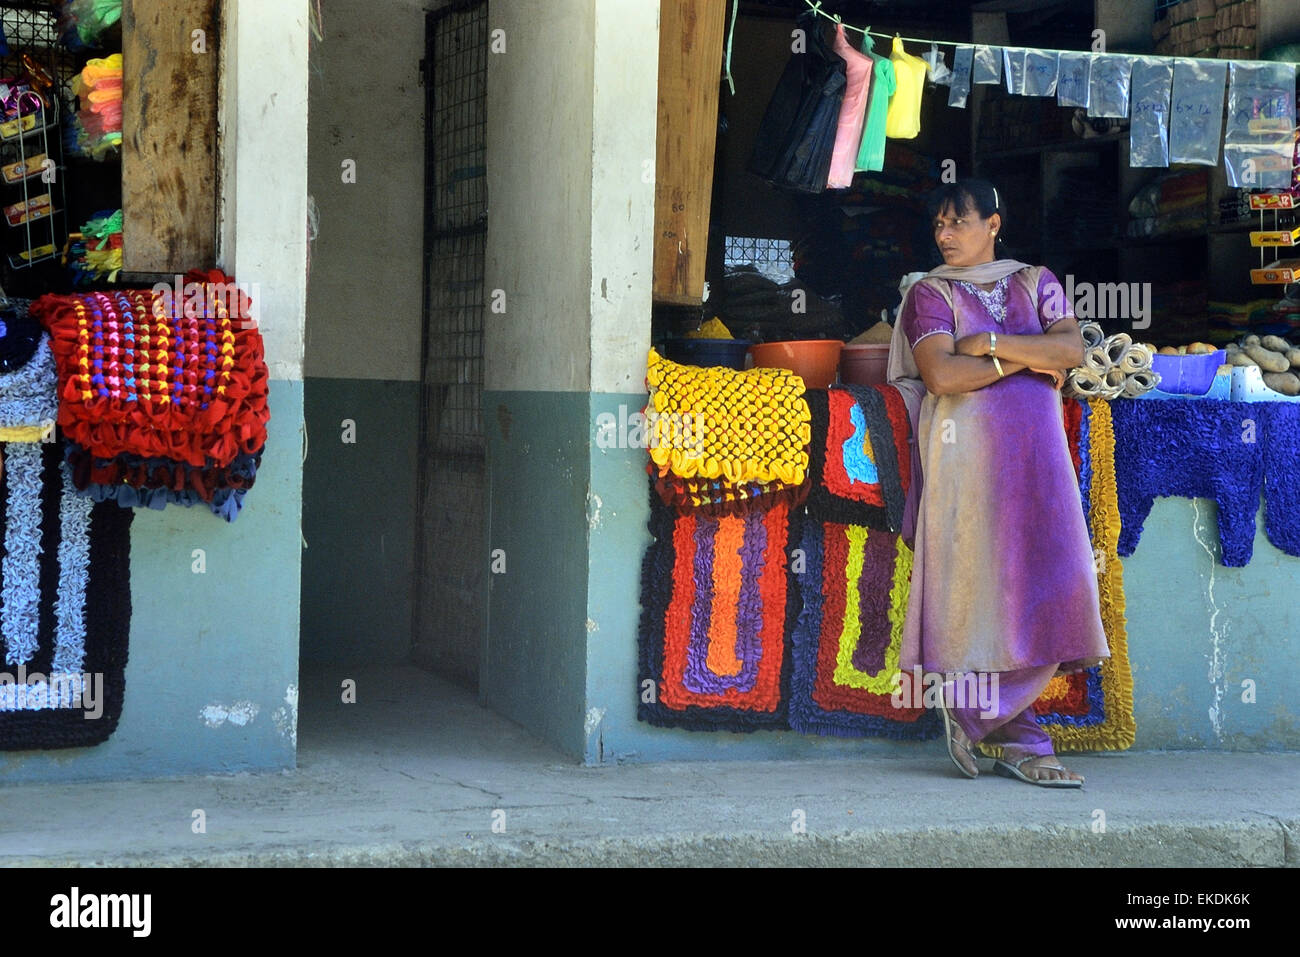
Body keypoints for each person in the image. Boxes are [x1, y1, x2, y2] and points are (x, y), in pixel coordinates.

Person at [888, 179, 1109, 788]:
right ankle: (1013, 732)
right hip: (965, 463)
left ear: (994, 223)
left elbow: (1072, 352)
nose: (944, 235)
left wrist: (988, 344)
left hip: (1040, 461)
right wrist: (1025, 355)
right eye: (938, 224)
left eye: (958, 222)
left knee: (1052, 578)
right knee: (977, 588)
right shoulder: (929, 294)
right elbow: (942, 375)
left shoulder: (1036, 281)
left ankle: (986, 720)